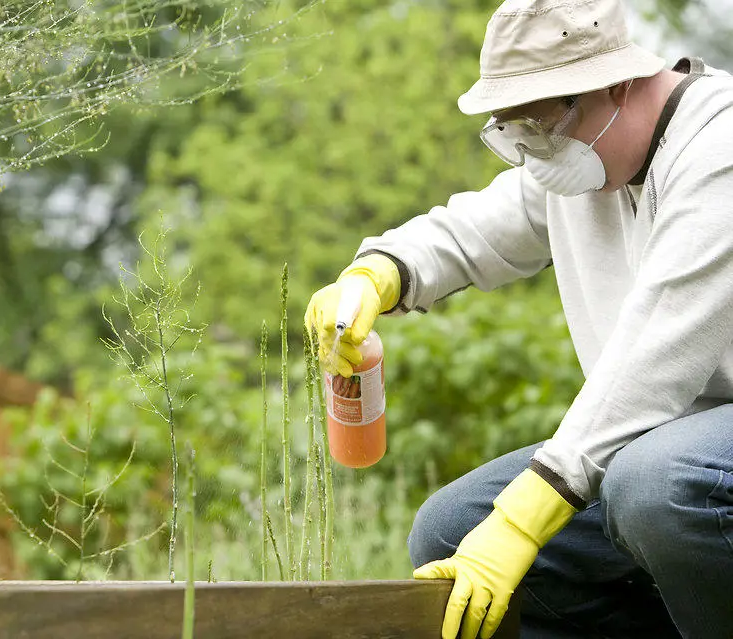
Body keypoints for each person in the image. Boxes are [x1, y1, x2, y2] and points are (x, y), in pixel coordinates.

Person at [303, 0, 733, 637]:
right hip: (673, 443)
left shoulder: (718, 150)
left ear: (613, 82)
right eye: (513, 132)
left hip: (690, 455)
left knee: (656, 485)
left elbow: (654, 359)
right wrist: (378, 273)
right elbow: (478, 227)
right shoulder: (588, 162)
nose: (533, 152)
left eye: (540, 125)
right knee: (451, 532)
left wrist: (523, 519)